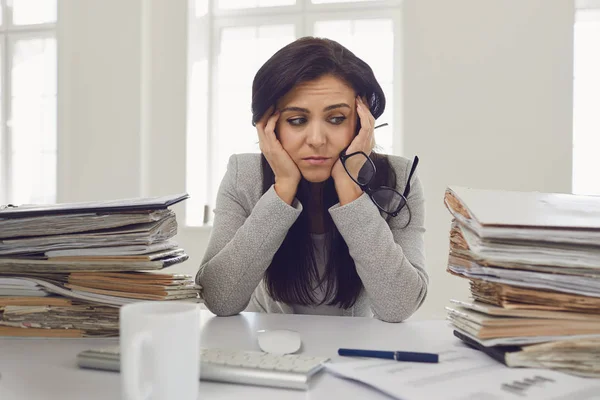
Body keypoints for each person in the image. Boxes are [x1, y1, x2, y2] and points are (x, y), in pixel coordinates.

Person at [196, 37, 428, 322]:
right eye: (297, 120)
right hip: (264, 349)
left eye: (336, 118)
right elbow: (220, 299)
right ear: (269, 126)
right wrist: (282, 189)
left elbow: (399, 307)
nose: (317, 140)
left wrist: (350, 190)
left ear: (362, 119)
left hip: (359, 354)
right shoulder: (243, 176)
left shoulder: (399, 178)